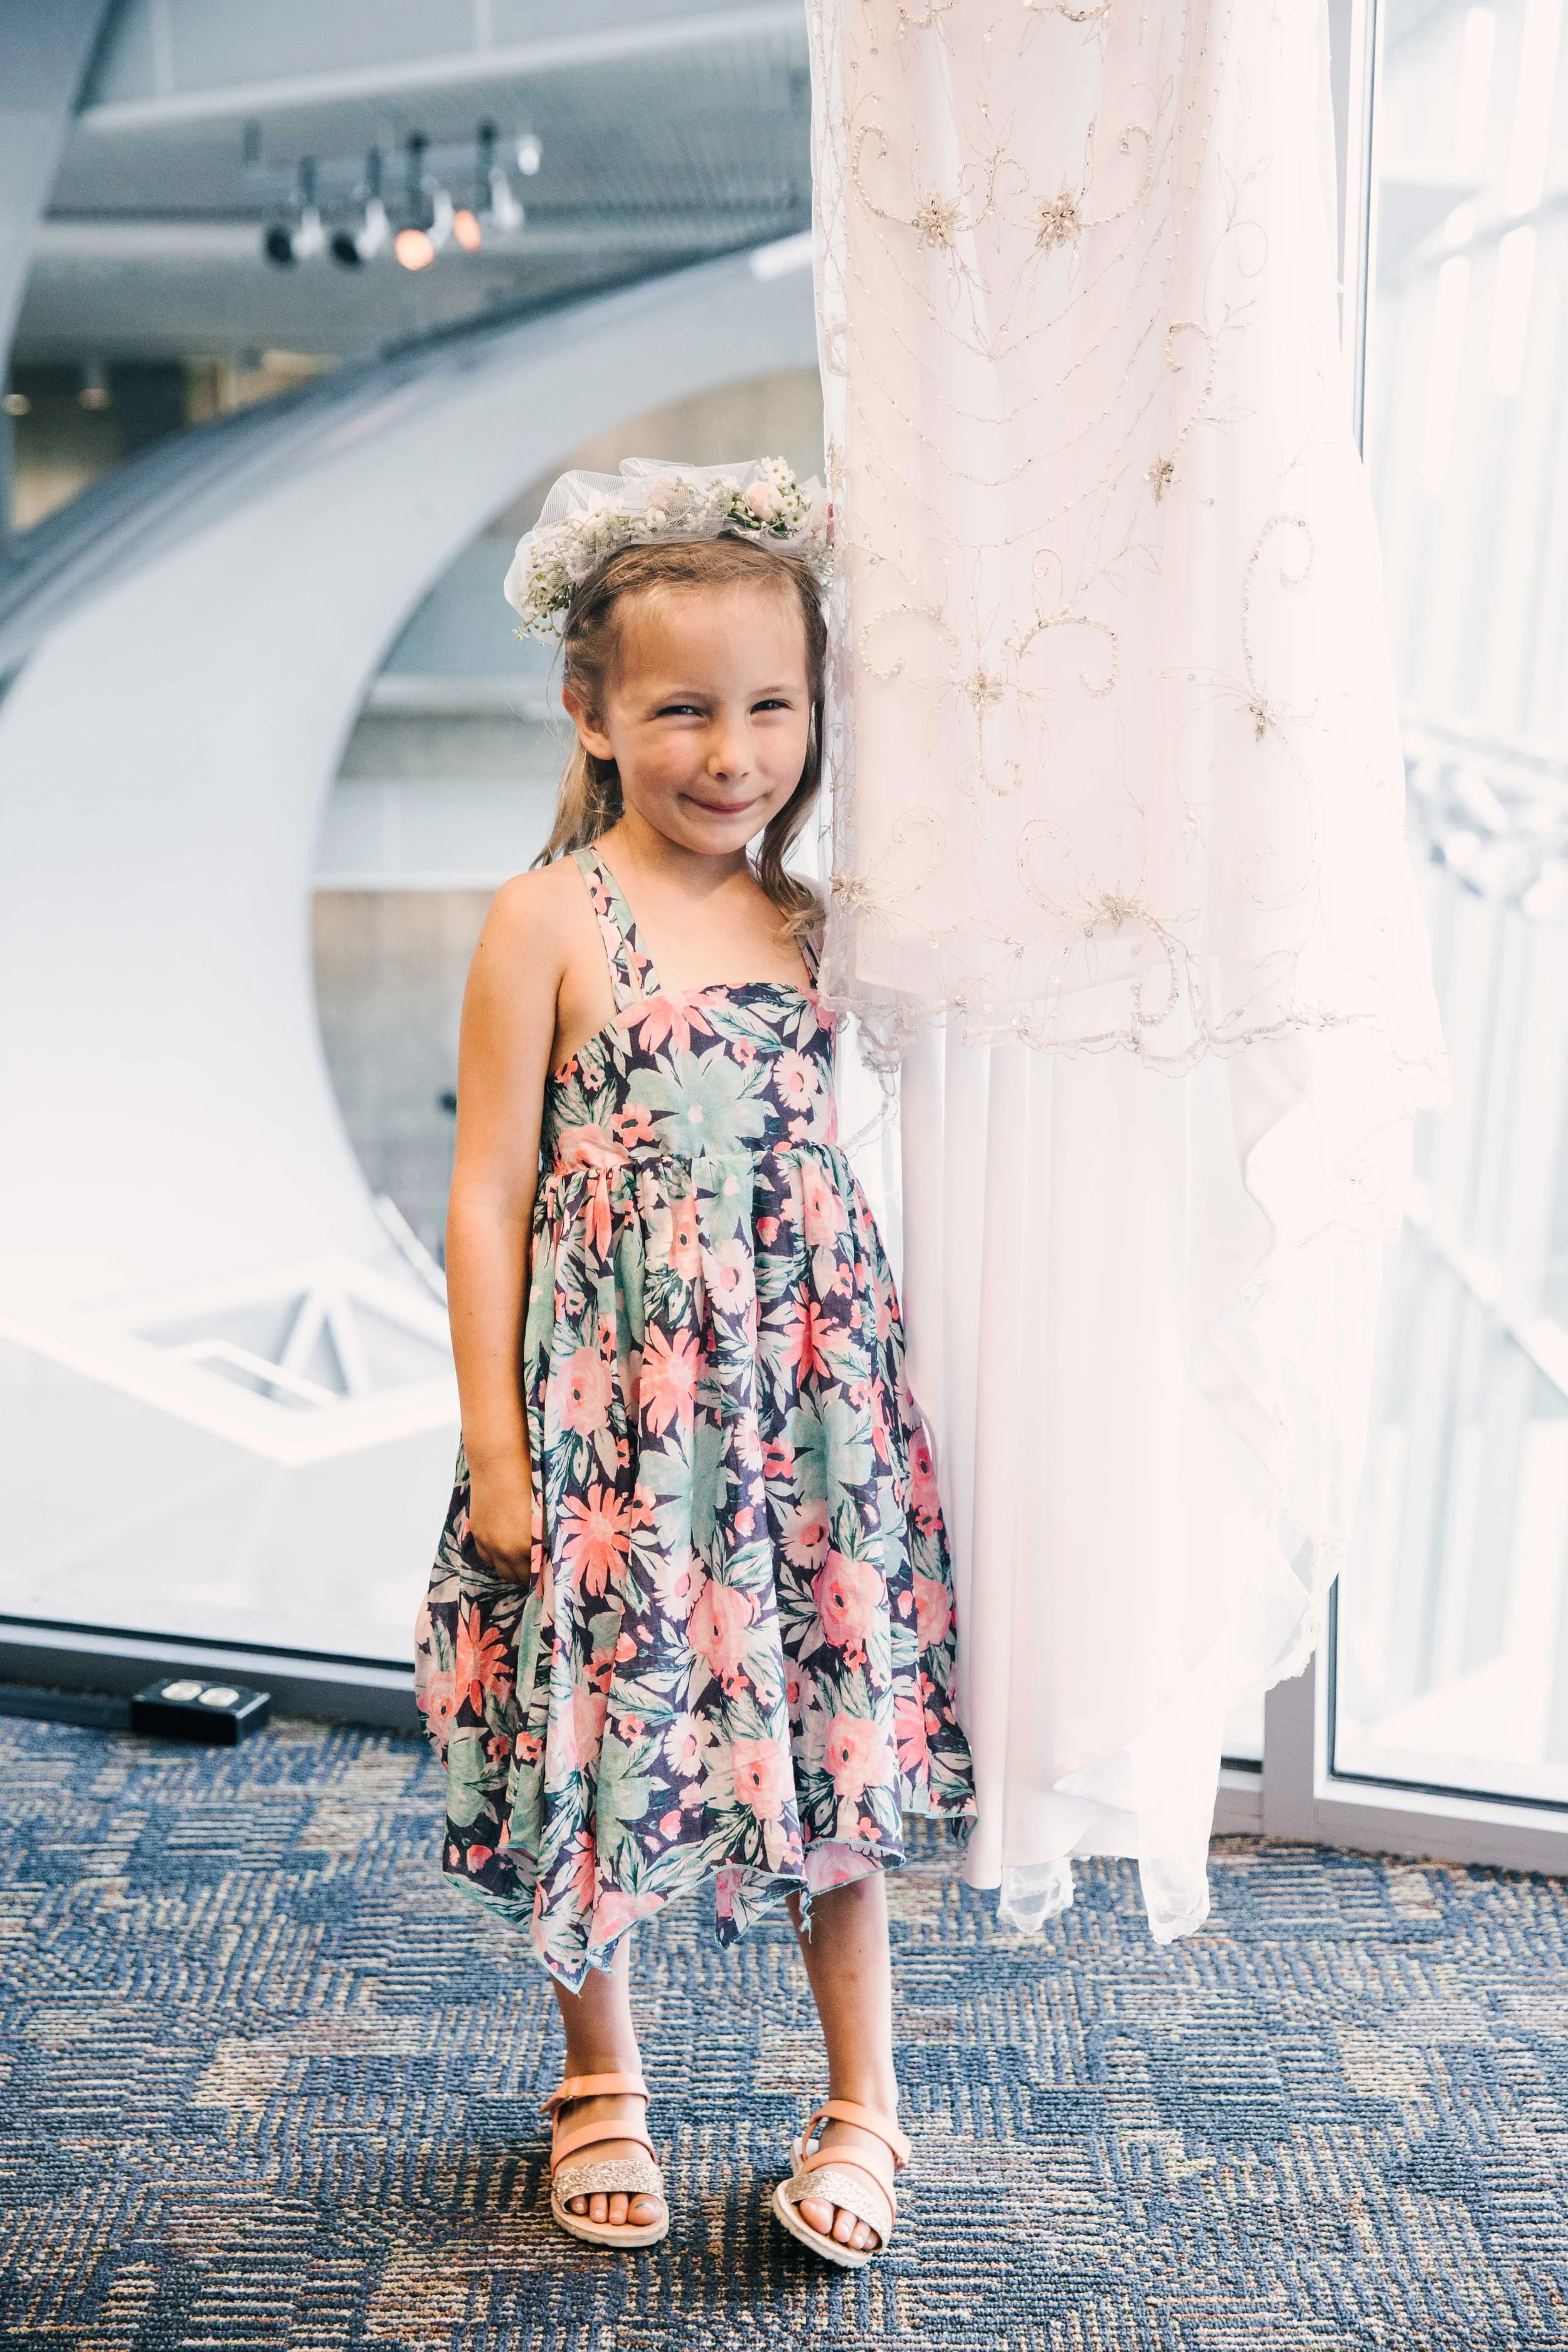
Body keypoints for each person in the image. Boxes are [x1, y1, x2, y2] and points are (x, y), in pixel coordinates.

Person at [414, 458, 974, 2268]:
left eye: (767, 707)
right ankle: (604, 2081)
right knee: (602, 1728)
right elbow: (488, 1196)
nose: (729, 751)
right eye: (679, 709)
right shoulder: (550, 917)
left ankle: (863, 2098)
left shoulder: (822, 921)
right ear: (590, 713)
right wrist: (498, 1459)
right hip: (609, 1428)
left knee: (830, 1743)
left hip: (807, 1413)